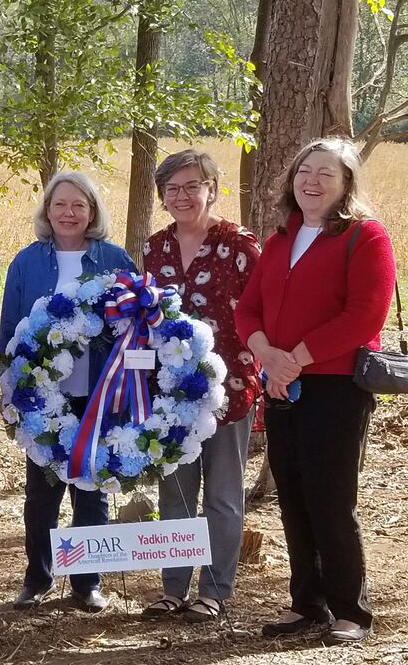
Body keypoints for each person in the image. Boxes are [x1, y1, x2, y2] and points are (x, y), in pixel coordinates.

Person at [236, 137, 395, 645]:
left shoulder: (365, 236)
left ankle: (351, 611)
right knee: (294, 497)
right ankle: (307, 604)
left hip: (334, 387)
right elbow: (248, 309)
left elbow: (366, 315)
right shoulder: (280, 239)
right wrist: (268, 355)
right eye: (305, 170)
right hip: (281, 385)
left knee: (331, 498)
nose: (312, 180)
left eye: (326, 173)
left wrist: (294, 359)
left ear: (347, 183)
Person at [0, 171, 137, 613]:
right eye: (60, 204)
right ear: (47, 211)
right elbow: (9, 332)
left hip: (98, 394)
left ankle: (86, 581)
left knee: (91, 490)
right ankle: (38, 577)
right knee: (42, 495)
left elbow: (134, 330)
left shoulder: (115, 260)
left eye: (79, 205)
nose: (69, 213)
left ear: (92, 212)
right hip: (44, 400)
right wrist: (11, 392)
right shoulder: (27, 263)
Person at [138, 150, 262, 623]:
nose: (183, 196)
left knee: (223, 495)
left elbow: (263, 311)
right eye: (173, 188)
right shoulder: (155, 248)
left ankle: (214, 591)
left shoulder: (240, 245)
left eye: (193, 186)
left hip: (228, 390)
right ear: (162, 197)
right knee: (175, 493)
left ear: (212, 187)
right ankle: (173, 587)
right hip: (170, 394)